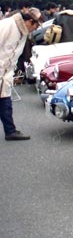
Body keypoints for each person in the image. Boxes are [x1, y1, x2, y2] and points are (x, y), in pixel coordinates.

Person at [1, 8, 42, 140]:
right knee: (4, 101)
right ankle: (10, 130)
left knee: (5, 101)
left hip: (5, 72)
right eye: (36, 25)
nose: (35, 29)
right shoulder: (8, 24)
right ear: (29, 21)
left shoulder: (23, 32)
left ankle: (10, 131)